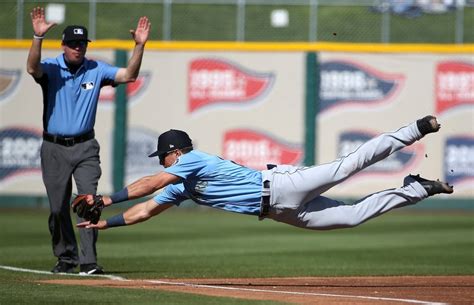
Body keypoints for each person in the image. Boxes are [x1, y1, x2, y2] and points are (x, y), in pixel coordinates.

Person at [78, 116, 453, 233]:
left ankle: (414, 130)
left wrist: (107, 197)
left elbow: (152, 182)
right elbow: (145, 209)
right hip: (280, 211)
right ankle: (416, 190)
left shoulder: (191, 162)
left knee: (348, 165)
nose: (161, 162)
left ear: (175, 153)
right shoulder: (184, 187)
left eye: (163, 156)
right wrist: (106, 224)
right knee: (353, 216)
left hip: (281, 184)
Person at [26, 7, 151, 274]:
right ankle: (66, 257)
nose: (78, 48)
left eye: (82, 43)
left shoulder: (95, 69)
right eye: (73, 44)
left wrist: (139, 46)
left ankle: (89, 261)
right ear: (63, 46)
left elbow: (128, 75)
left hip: (85, 147)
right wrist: (37, 39)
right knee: (58, 208)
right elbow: (31, 67)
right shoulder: (51, 67)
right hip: (54, 147)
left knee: (89, 203)